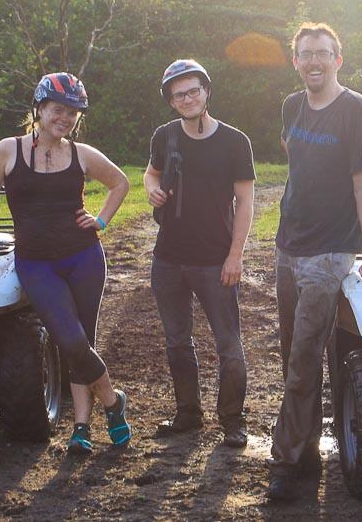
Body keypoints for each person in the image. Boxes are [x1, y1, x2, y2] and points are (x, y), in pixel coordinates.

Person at [0, 72, 132, 455]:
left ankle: (81, 428)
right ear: (39, 108)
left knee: (83, 341)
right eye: (58, 109)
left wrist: (101, 221)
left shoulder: (81, 154)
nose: (65, 118)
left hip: (84, 258)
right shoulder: (8, 151)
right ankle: (113, 401)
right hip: (36, 264)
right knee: (70, 340)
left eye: (72, 112)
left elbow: (120, 183)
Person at [267, 23, 362, 501]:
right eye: (305, 54)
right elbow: (295, 159)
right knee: (292, 354)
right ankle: (308, 450)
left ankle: (285, 461)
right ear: (295, 61)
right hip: (287, 246)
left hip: (330, 251)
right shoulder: (291, 106)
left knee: (303, 358)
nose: (313, 61)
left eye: (322, 53)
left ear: (338, 59)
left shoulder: (355, 110)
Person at [144, 59, 256, 448]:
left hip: (215, 260)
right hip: (168, 258)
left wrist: (235, 256)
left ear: (207, 91)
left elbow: (245, 203)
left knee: (229, 344)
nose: (188, 99)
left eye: (194, 90)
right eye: (179, 95)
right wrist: (152, 190)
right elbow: (151, 172)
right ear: (171, 101)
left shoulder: (235, 142)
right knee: (177, 341)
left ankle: (233, 420)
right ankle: (188, 414)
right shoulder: (165, 136)